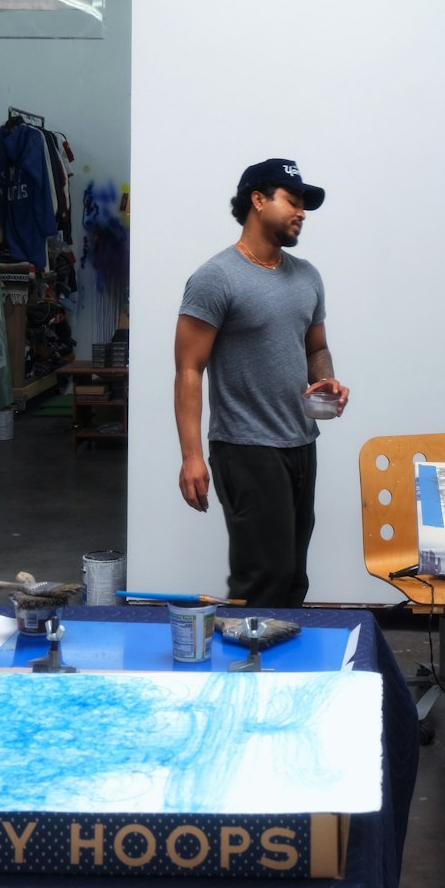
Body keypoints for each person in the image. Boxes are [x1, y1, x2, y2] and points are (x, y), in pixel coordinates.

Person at [174, 157, 348, 606]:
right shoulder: (216, 278)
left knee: (293, 576)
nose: (302, 212)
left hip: (300, 442)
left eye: (304, 205)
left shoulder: (307, 276)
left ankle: (286, 670)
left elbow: (316, 349)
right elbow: (189, 369)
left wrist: (326, 381)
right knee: (262, 577)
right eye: (293, 200)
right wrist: (192, 457)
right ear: (258, 200)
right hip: (245, 447)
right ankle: (246, 672)